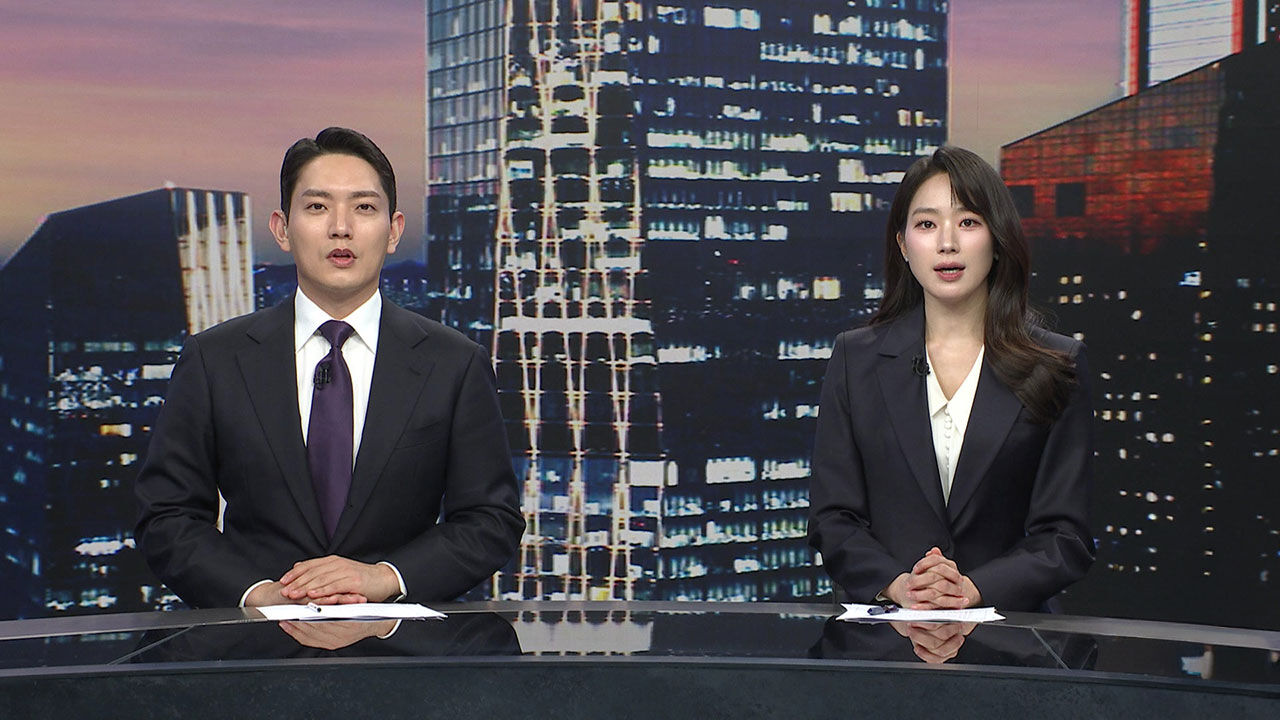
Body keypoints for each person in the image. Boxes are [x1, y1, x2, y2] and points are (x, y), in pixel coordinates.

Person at [135, 127, 524, 608]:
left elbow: (490, 519)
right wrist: (260, 594)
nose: (341, 228)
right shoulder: (214, 359)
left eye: (364, 208)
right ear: (282, 228)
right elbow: (166, 516)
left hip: (401, 640)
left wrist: (385, 578)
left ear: (394, 230)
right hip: (257, 643)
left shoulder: (454, 363)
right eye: (318, 207)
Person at [808, 145, 1094, 612]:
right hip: (886, 633)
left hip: (1010, 635)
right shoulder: (855, 360)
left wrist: (973, 589)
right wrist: (900, 586)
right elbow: (832, 517)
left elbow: (1066, 536)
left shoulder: (1056, 363)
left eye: (968, 222)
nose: (947, 243)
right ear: (903, 245)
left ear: (997, 240)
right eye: (926, 224)